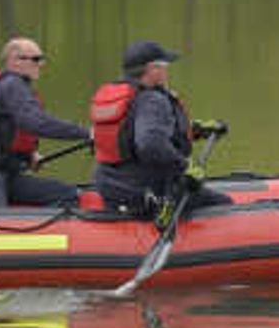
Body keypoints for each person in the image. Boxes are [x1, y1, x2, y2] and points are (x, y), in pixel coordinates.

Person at [89, 39, 223, 223]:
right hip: (145, 190)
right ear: (152, 69)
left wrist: (195, 130)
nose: (166, 71)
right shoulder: (153, 100)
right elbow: (150, 144)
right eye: (164, 66)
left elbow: (131, 134)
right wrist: (184, 166)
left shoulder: (123, 95)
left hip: (111, 187)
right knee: (224, 204)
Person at [0, 35, 86, 211]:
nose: (41, 64)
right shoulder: (11, 85)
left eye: (42, 59)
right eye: (36, 59)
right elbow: (36, 123)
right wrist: (86, 133)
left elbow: (9, 129)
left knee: (67, 194)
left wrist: (30, 154)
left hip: (6, 173)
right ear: (14, 61)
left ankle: (33, 232)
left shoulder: (16, 86)